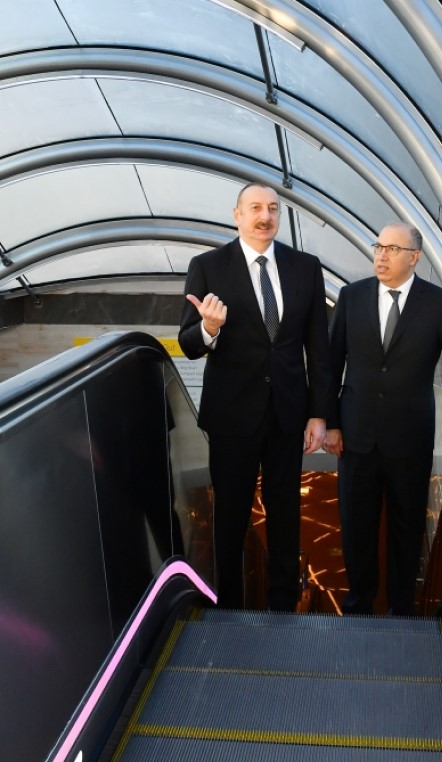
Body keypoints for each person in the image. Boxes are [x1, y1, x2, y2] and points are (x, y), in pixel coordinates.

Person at [178, 183, 330, 611]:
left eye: (273, 208)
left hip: (288, 414)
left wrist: (319, 414)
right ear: (237, 215)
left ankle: (283, 609)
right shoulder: (208, 266)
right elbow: (188, 343)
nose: (265, 216)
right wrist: (209, 328)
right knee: (230, 515)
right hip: (231, 416)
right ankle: (227, 608)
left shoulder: (305, 267)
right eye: (256, 208)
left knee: (286, 514)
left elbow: (318, 347)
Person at [325, 221, 442, 616]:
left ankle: (401, 611)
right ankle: (358, 607)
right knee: (356, 529)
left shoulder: (438, 303)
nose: (381, 255)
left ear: (414, 258)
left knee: (406, 528)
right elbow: (330, 364)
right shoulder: (351, 297)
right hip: (356, 436)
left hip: (410, 439)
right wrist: (331, 423)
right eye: (378, 247)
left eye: (392, 249)